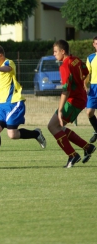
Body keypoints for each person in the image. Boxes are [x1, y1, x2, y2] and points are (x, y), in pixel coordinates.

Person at [0, 44, 46, 169]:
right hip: (2, 105)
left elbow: (7, 69)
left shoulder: (9, 63)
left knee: (12, 134)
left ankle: (36, 134)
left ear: (1, 56)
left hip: (14, 102)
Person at [47, 39, 96, 168]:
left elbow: (66, 90)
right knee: (59, 128)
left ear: (63, 52)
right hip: (80, 99)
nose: (54, 54)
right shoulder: (76, 60)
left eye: (56, 52)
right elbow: (85, 73)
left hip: (72, 100)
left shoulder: (65, 65)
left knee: (52, 126)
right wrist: (81, 87)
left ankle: (72, 155)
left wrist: (60, 109)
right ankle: (87, 147)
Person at [85, 36, 97, 143]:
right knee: (89, 112)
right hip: (94, 88)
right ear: (94, 45)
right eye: (96, 43)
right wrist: (84, 85)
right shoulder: (90, 58)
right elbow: (87, 74)